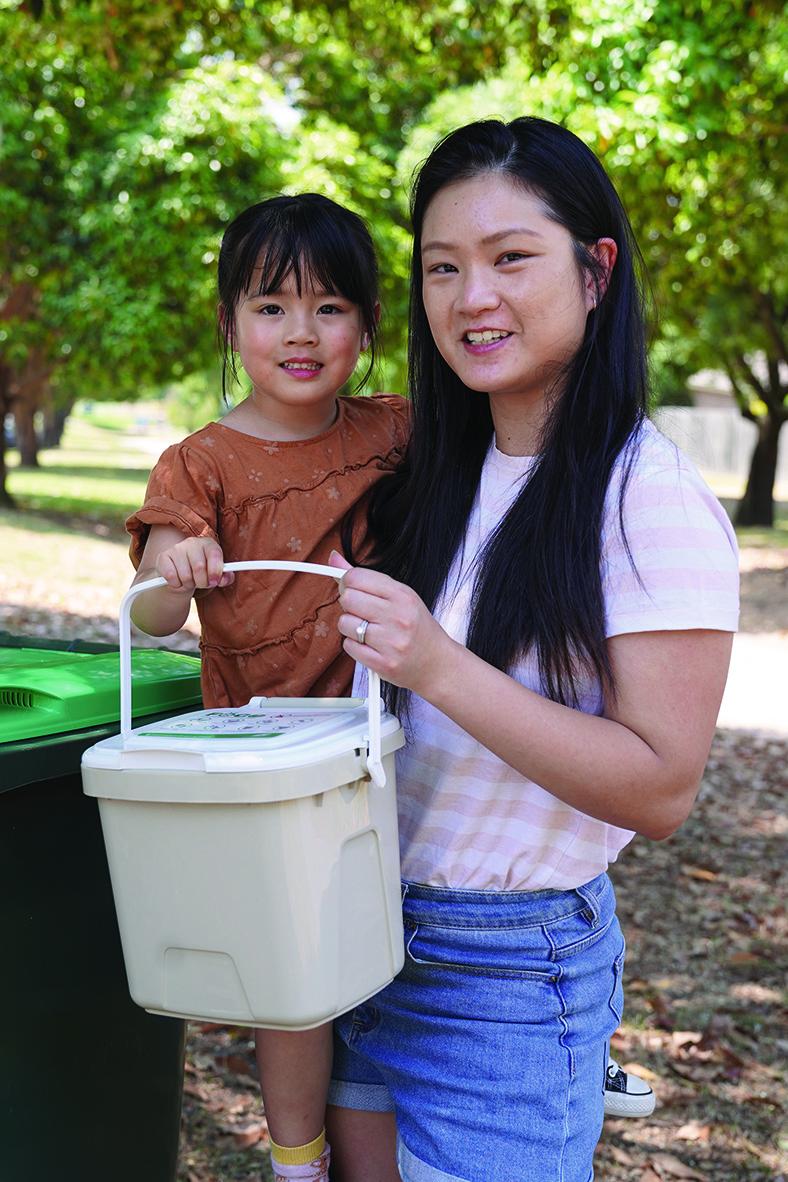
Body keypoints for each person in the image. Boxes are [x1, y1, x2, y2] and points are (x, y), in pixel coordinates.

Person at [324, 116, 739, 1181]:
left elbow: (658, 788)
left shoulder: (646, 498)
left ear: (594, 272)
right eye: (442, 268)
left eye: (512, 259)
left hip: (506, 975)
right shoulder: (440, 476)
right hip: (366, 936)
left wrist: (435, 666)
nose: (473, 299)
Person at [125, 192, 409, 1182]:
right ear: (228, 323)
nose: (300, 331)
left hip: (378, 738)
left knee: (393, 949)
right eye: (270, 305)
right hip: (262, 764)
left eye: (330, 307)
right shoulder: (198, 463)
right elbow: (153, 612)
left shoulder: (393, 431)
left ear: (367, 327)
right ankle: (296, 1163)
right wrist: (179, 570)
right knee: (294, 981)